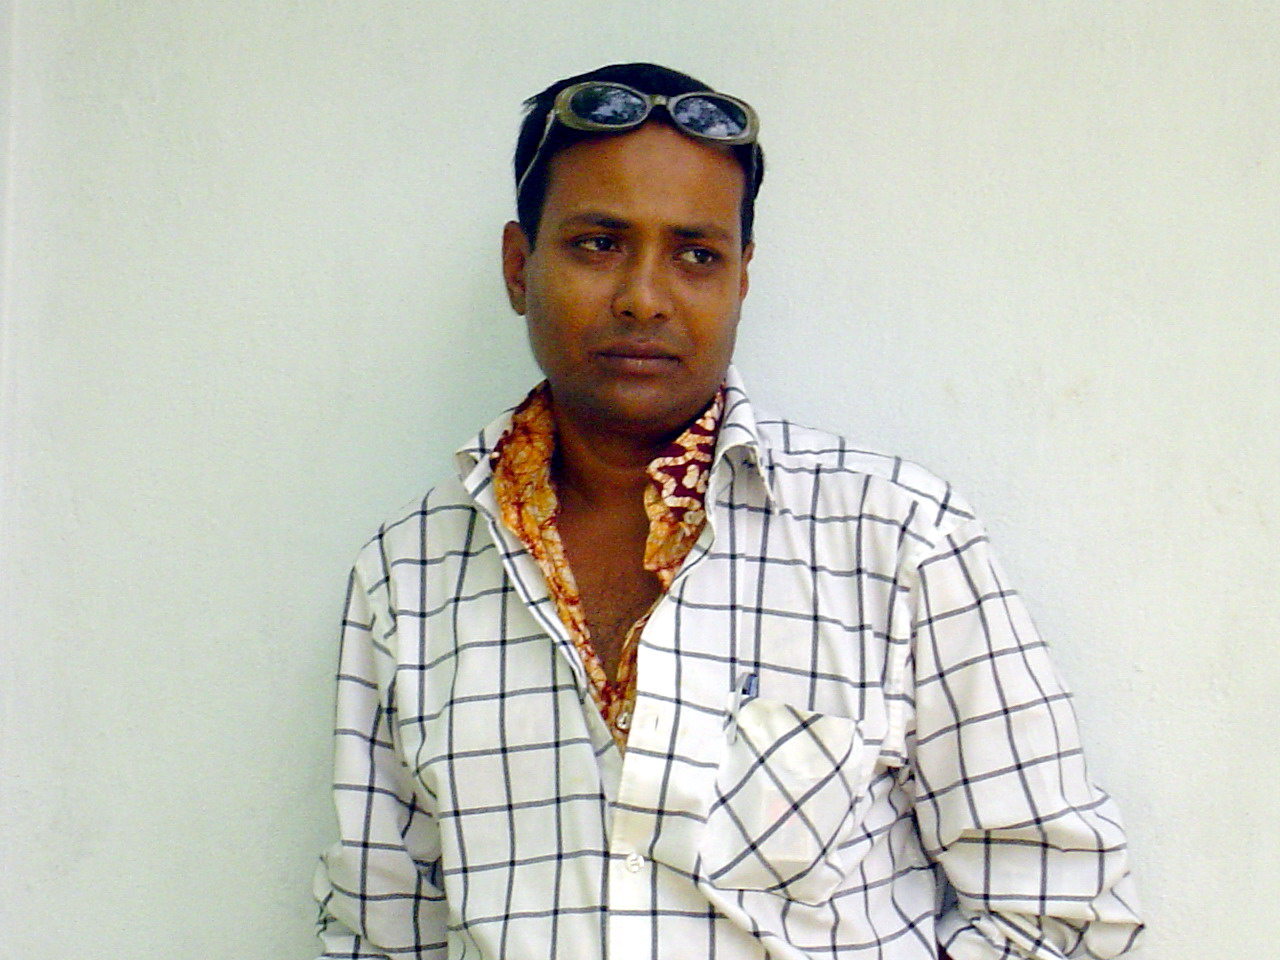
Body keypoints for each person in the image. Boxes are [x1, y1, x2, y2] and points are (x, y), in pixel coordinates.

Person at [313, 62, 1143, 960]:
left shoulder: (895, 539)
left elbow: (1059, 911)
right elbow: (379, 934)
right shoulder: (408, 577)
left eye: (696, 255)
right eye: (598, 243)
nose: (643, 296)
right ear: (520, 266)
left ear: (741, 278)